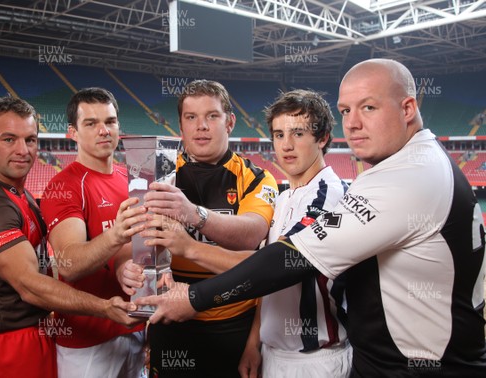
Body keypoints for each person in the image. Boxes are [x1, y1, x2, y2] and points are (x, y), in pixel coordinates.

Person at [136, 59, 486, 377]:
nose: (354, 123)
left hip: (346, 359)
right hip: (315, 353)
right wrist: (256, 341)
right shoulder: (295, 194)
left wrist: (193, 294)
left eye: (368, 107)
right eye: (346, 110)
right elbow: (267, 276)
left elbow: (287, 263)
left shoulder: (378, 183)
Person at [137, 89, 351, 377]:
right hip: (271, 349)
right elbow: (268, 281)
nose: (286, 146)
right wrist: (256, 342)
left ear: (322, 138)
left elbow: (273, 268)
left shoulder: (326, 196)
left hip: (313, 357)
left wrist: (190, 251)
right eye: (278, 135)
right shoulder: (288, 197)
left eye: (298, 134)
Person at [0, 96, 143, 378]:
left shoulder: (16, 193)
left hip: (35, 333)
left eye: (30, 139)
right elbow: (31, 286)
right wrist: (104, 307)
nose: (23, 150)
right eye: (8, 139)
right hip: (5, 344)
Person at [124, 79, 279, 377]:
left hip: (233, 324)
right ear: (180, 127)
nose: (201, 126)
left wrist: (195, 215)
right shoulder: (160, 174)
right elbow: (136, 245)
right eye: (191, 117)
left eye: (212, 116)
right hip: (172, 323)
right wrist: (126, 269)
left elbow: (252, 233)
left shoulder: (258, 177)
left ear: (230, 122)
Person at [39, 88, 147, 378]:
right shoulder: (64, 187)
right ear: (72, 132)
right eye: (91, 123)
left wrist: (127, 267)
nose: (104, 131)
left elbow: (139, 248)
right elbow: (68, 265)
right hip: (86, 341)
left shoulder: (132, 178)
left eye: (110, 122)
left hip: (135, 325)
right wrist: (116, 235)